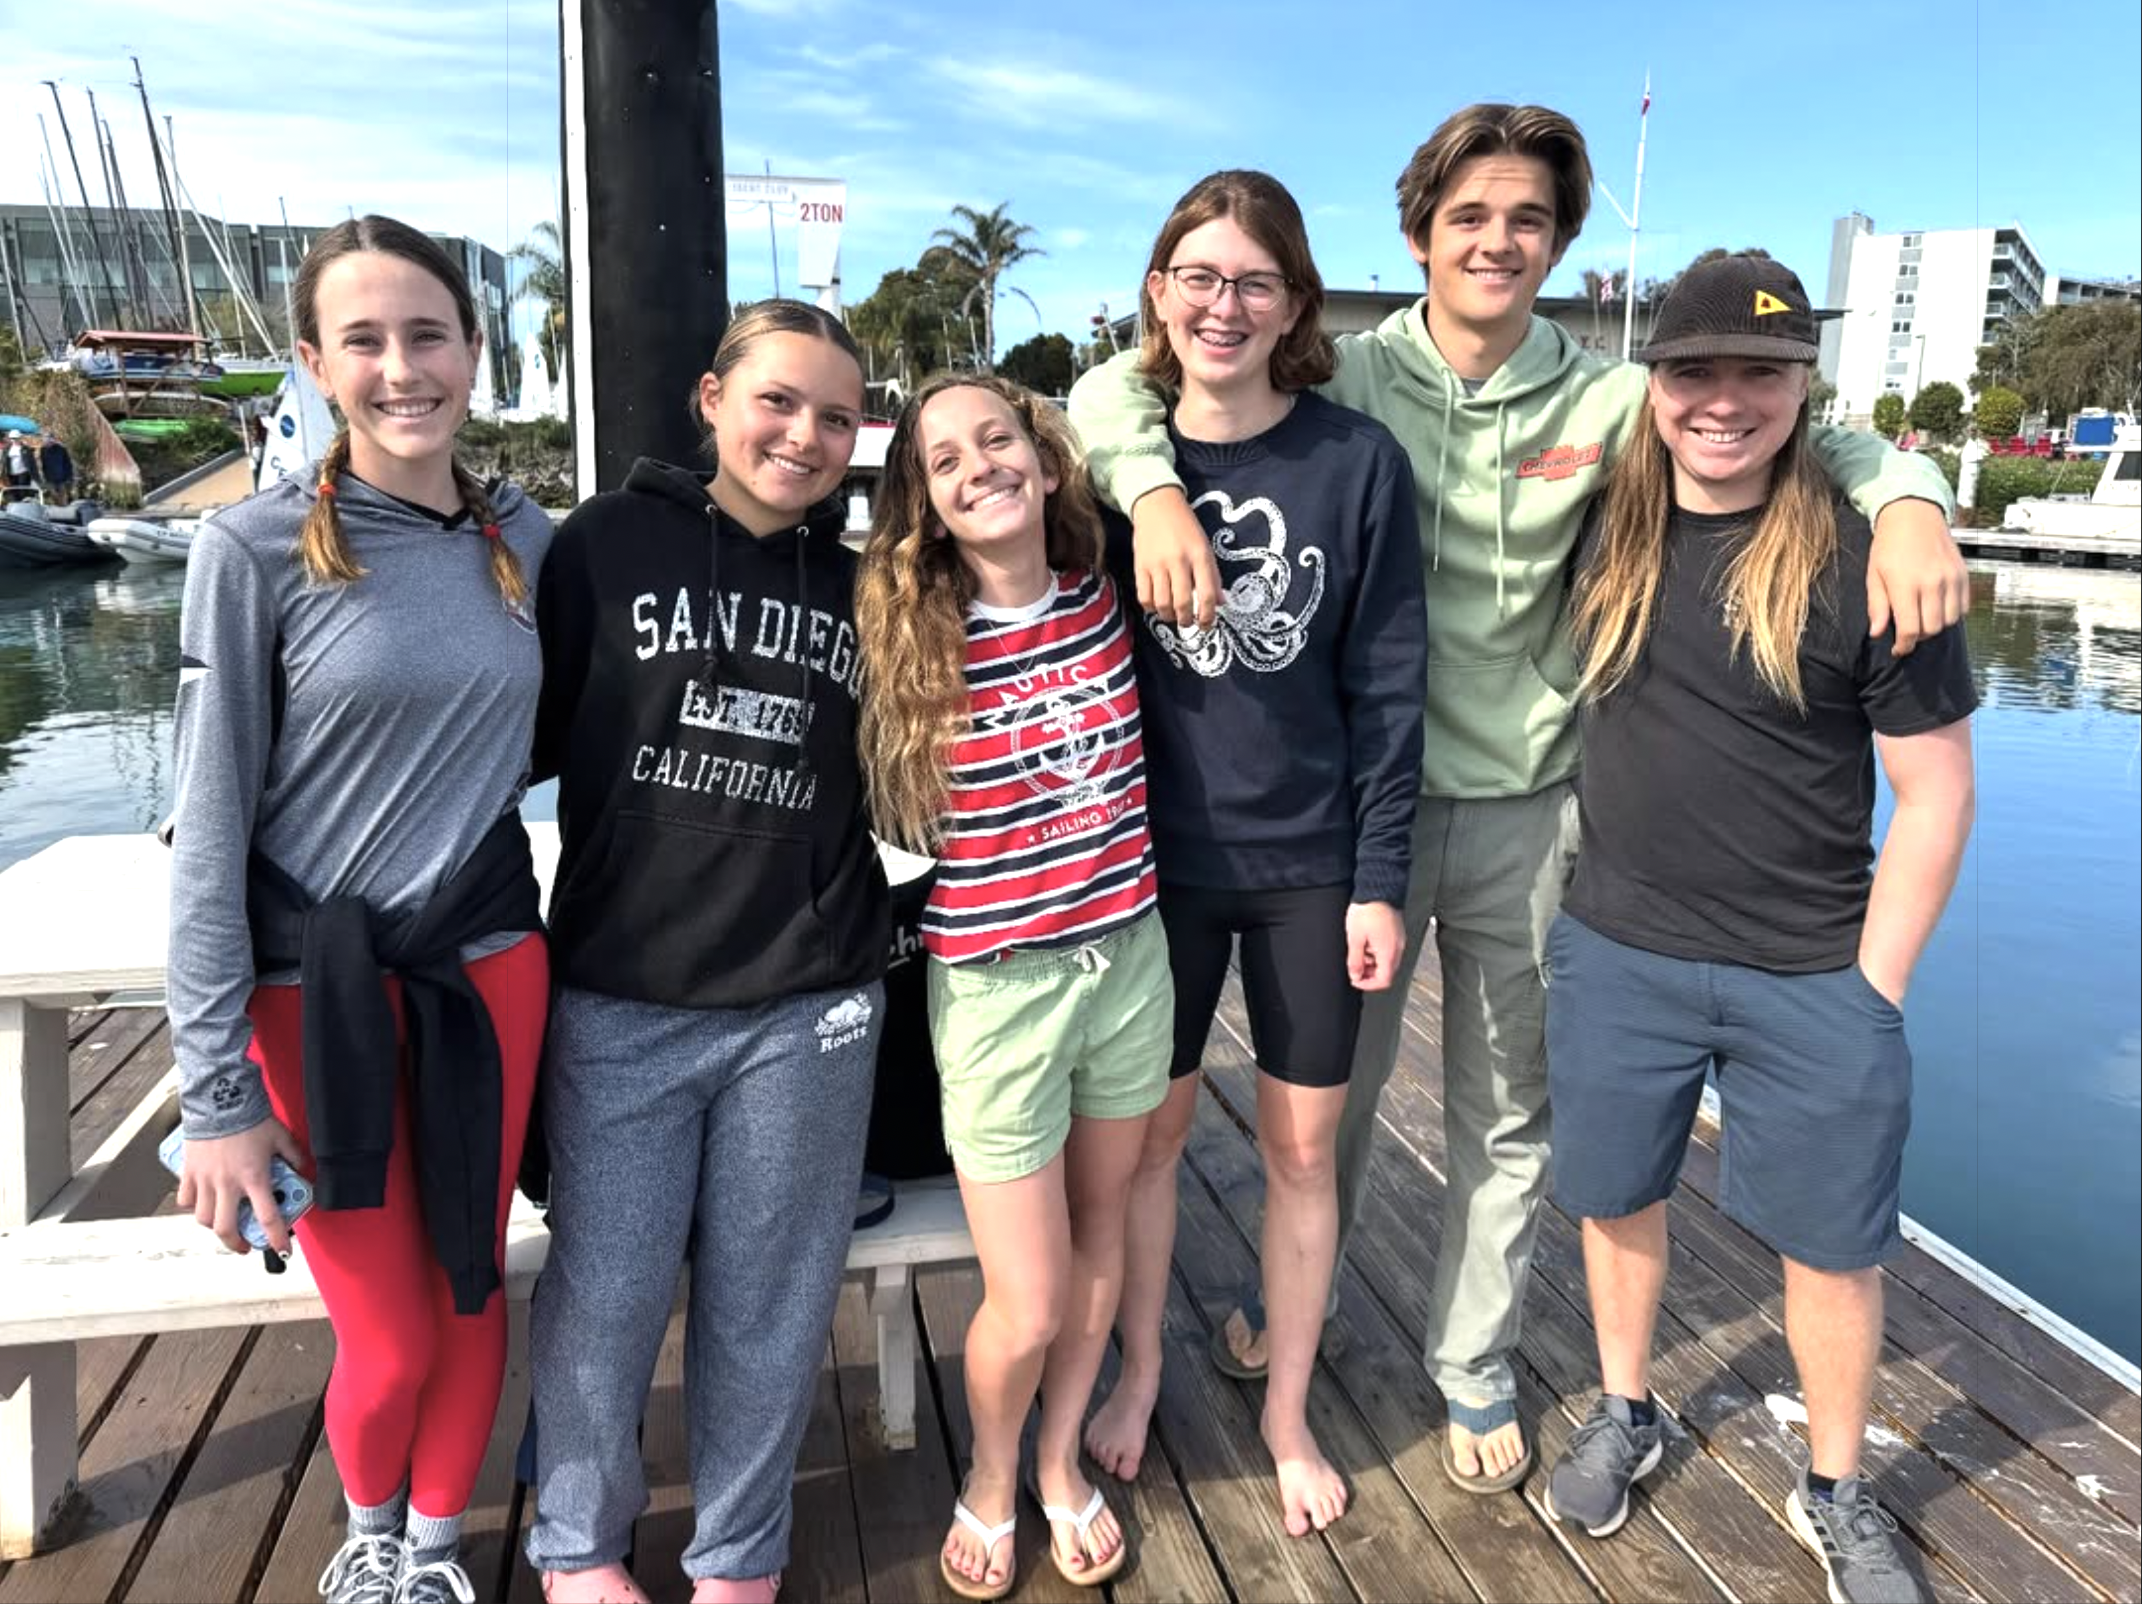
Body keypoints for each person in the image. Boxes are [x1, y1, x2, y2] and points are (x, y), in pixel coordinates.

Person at [1069, 102, 1969, 1494]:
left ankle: (1472, 1359)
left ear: (1558, 243)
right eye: (1470, 215)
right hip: (1349, 808)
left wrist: (1906, 491)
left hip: (1537, 802)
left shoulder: (1611, 400)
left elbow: (1781, 430)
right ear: (1419, 231)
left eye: (1529, 220)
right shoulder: (1348, 384)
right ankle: (1286, 1305)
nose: (1497, 241)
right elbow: (1117, 392)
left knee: (1504, 1110)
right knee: (1332, 1096)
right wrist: (1148, 495)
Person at [1542, 253, 1974, 1604]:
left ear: (1804, 386)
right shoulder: (1598, 523)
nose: (1722, 399)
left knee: (1832, 1251)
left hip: (1810, 969)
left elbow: (1935, 791)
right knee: (1615, 1204)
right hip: (1616, 944)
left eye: (1759, 372)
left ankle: (1835, 1488)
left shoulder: (1868, 559)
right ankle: (1629, 1408)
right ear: (1649, 383)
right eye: (1693, 370)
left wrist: (1872, 988)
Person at [164, 214, 554, 1604]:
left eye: (430, 335)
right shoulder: (254, 550)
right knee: (385, 1333)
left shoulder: (526, 538)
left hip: (489, 970)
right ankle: (370, 1533)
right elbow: (206, 833)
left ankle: (436, 1555)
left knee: (469, 1286)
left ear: (472, 350)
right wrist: (212, 1097)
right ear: (319, 365)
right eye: (367, 342)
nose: (404, 369)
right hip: (305, 993)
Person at [1072, 170, 1427, 1540]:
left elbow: (1389, 687)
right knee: (1151, 1136)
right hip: (1144, 869)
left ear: (1295, 304)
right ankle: (1144, 1365)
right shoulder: (1110, 468)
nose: (1226, 305)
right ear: (1159, 292)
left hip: (1304, 866)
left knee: (1300, 1147)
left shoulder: (1354, 466)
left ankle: (1283, 1412)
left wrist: (1379, 878)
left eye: (1256, 282)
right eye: (1199, 277)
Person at [525, 300, 890, 1604]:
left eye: (836, 416)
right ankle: (574, 1548)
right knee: (605, 1294)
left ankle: (740, 1559)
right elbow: (503, 734)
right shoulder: (604, 546)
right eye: (778, 401)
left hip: (809, 1000)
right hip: (622, 992)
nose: (803, 434)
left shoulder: (868, 589)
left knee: (770, 1302)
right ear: (711, 398)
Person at [857, 375, 1168, 1599]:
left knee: (1101, 1245)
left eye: (1000, 440)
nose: (979, 464)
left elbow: (1136, 402)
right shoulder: (909, 638)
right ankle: (986, 1470)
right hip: (995, 990)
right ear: (927, 504)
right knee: (1027, 1299)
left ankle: (1052, 1461)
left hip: (1128, 964)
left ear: (1045, 467)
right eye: (945, 459)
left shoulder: (1112, 598)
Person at [37, 432, 75, 506]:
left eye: (48, 439)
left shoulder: (61, 449)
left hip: (62, 478)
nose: (46, 441)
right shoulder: (43, 450)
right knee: (54, 497)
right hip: (50, 478)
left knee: (63, 498)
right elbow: (43, 464)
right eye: (45, 439)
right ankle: (57, 513)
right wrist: (44, 476)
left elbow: (68, 464)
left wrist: (69, 477)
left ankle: (65, 513)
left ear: (53, 439)